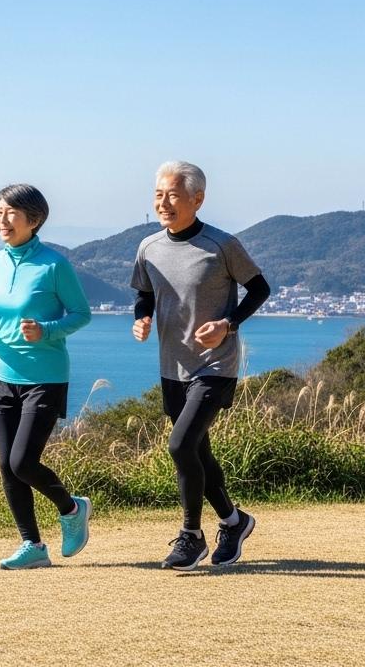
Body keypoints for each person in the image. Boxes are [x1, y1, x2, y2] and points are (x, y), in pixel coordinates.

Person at [130, 161, 271, 570]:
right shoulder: (148, 248)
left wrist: (228, 324)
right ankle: (234, 520)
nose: (163, 202)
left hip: (215, 365)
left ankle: (192, 536)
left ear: (197, 199)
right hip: (172, 366)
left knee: (179, 445)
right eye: (158, 194)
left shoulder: (222, 244)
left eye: (172, 195)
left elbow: (260, 288)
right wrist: (142, 318)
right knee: (198, 452)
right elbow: (144, 293)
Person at [0, 184, 93, 569]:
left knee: (22, 462)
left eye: (11, 213)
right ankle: (33, 546)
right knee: (7, 466)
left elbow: (81, 314)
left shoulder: (54, 265)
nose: (2, 219)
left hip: (45, 378)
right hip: (3, 376)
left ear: (34, 220)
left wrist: (47, 330)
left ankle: (72, 509)